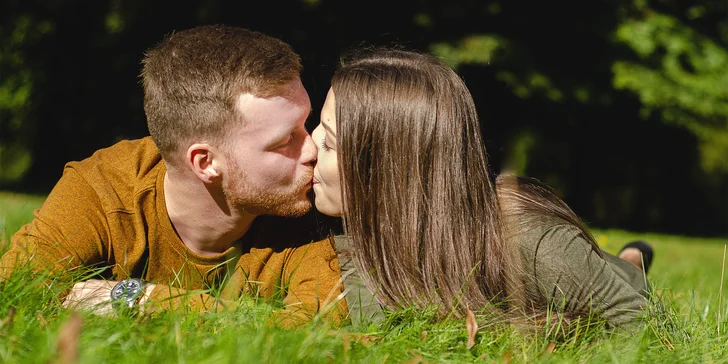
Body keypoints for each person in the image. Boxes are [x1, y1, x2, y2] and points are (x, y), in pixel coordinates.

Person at [0, 25, 349, 325]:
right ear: (205, 163)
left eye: (307, 123)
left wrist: (144, 301)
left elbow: (319, 331)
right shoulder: (103, 189)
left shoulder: (315, 207)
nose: (314, 150)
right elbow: (16, 289)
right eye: (285, 140)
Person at [310, 47, 655, 330]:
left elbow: (650, 330)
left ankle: (631, 262)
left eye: (330, 143)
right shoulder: (349, 235)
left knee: (625, 270)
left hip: (603, 281)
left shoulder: (531, 243)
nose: (310, 145)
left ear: (388, 172)